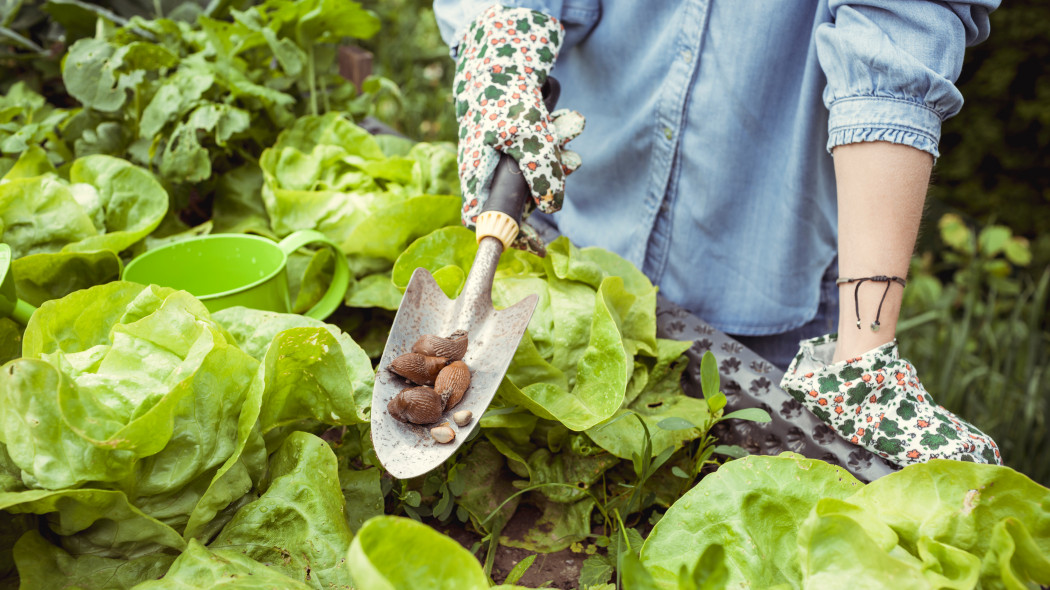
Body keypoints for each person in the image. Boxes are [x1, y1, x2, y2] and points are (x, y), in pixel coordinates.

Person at [433, 1, 1002, 467]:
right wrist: (502, 45)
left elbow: (894, 45)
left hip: (770, 287)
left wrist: (865, 356)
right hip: (571, 231)